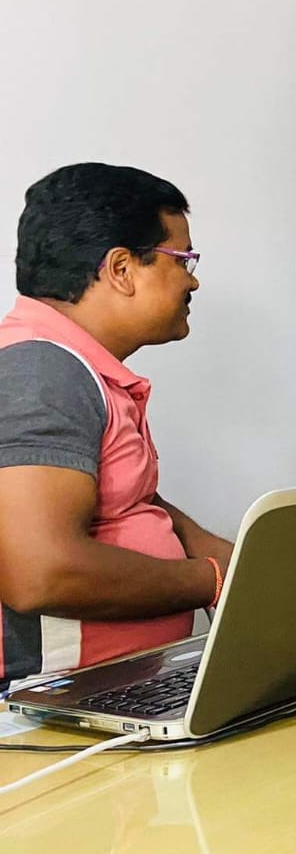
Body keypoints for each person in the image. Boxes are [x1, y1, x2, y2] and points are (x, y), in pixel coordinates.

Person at [0, 163, 232, 691]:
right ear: (122, 269)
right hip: (48, 704)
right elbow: (38, 571)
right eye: (183, 259)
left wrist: (211, 547)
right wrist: (209, 580)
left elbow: (119, 495)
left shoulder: (78, 367)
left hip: (112, 687)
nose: (193, 280)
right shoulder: (41, 371)